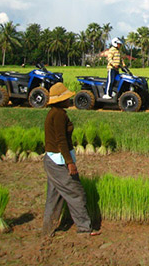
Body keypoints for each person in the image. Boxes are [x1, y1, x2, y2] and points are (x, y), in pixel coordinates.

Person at [42, 82, 100, 237]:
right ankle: (84, 229)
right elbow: (61, 140)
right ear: (60, 100)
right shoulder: (59, 115)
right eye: (67, 97)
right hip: (58, 162)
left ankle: (46, 231)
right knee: (76, 193)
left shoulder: (54, 113)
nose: (70, 100)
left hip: (52, 160)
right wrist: (70, 163)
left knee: (54, 197)